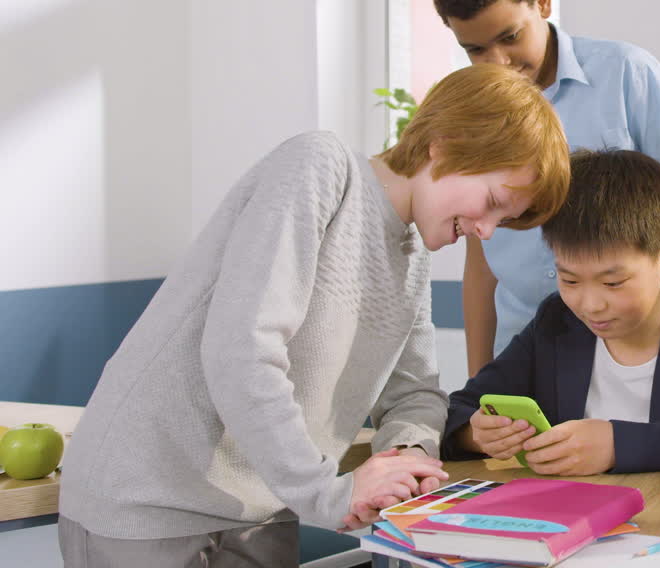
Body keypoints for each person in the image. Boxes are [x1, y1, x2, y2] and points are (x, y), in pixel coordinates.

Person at [58, 64, 570, 566]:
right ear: (447, 143)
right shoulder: (322, 167)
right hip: (147, 504)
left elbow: (416, 392)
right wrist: (326, 492)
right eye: (493, 201)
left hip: (262, 510)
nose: (486, 231)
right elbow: (242, 350)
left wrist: (409, 455)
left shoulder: (410, 256)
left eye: (502, 221)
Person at [430, 0, 660, 375]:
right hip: (523, 353)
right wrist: (479, 380)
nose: (497, 63)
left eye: (509, 37)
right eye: (475, 50)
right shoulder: (473, 109)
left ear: (542, 1)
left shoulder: (627, 74)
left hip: (633, 346)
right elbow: (481, 259)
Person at [439, 149, 660, 474]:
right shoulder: (556, 321)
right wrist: (477, 434)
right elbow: (459, 409)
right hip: (571, 522)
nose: (590, 305)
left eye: (613, 283)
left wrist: (619, 445)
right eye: (570, 280)